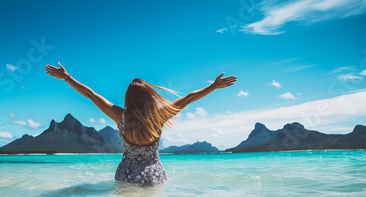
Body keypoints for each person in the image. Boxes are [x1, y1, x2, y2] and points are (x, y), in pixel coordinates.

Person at [45, 63, 237, 186]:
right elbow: (188, 98)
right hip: (153, 175)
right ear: (148, 97)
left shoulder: (120, 116)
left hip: (125, 175)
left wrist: (67, 78)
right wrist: (213, 87)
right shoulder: (159, 116)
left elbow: (91, 95)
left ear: (128, 97)